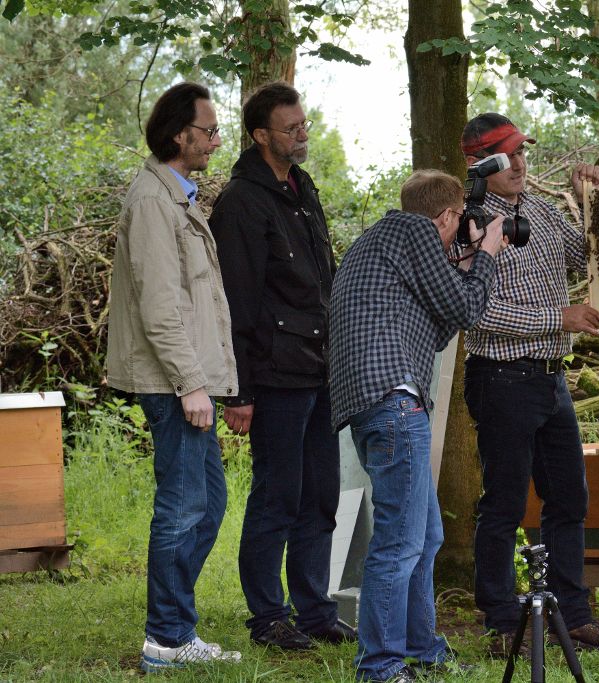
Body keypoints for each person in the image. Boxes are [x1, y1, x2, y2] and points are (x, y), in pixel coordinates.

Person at [460, 112, 599, 657]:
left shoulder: (540, 209)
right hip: (501, 378)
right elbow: (476, 312)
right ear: (478, 163)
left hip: (551, 379)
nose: (519, 165)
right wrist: (560, 318)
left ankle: (572, 614)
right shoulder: (465, 223)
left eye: (522, 153)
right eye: (506, 156)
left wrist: (588, 202)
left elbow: (589, 257)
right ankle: (502, 620)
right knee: (505, 504)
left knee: (569, 499)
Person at [329, 169, 505, 683]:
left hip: (376, 404)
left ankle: (421, 649)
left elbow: (439, 325)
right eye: (457, 226)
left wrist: (467, 262)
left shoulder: (379, 242)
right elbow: (469, 310)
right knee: (399, 544)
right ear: (448, 215)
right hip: (396, 402)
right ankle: (379, 667)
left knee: (424, 537)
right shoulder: (415, 233)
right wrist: (487, 253)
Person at [209, 82, 354, 650]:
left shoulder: (301, 186)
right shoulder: (242, 201)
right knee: (277, 496)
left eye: (304, 124)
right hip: (272, 376)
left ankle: (315, 611)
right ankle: (268, 617)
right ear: (260, 135)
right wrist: (238, 391)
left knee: (321, 497)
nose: (302, 134)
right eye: (291, 128)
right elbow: (236, 301)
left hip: (319, 368)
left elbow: (322, 279)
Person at [105, 82, 241, 672]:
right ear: (177, 133)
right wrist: (190, 385)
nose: (216, 140)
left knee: (208, 504)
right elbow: (160, 307)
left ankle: (174, 628)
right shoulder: (154, 202)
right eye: (208, 130)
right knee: (184, 508)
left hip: (188, 380)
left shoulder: (176, 197)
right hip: (171, 383)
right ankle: (166, 637)